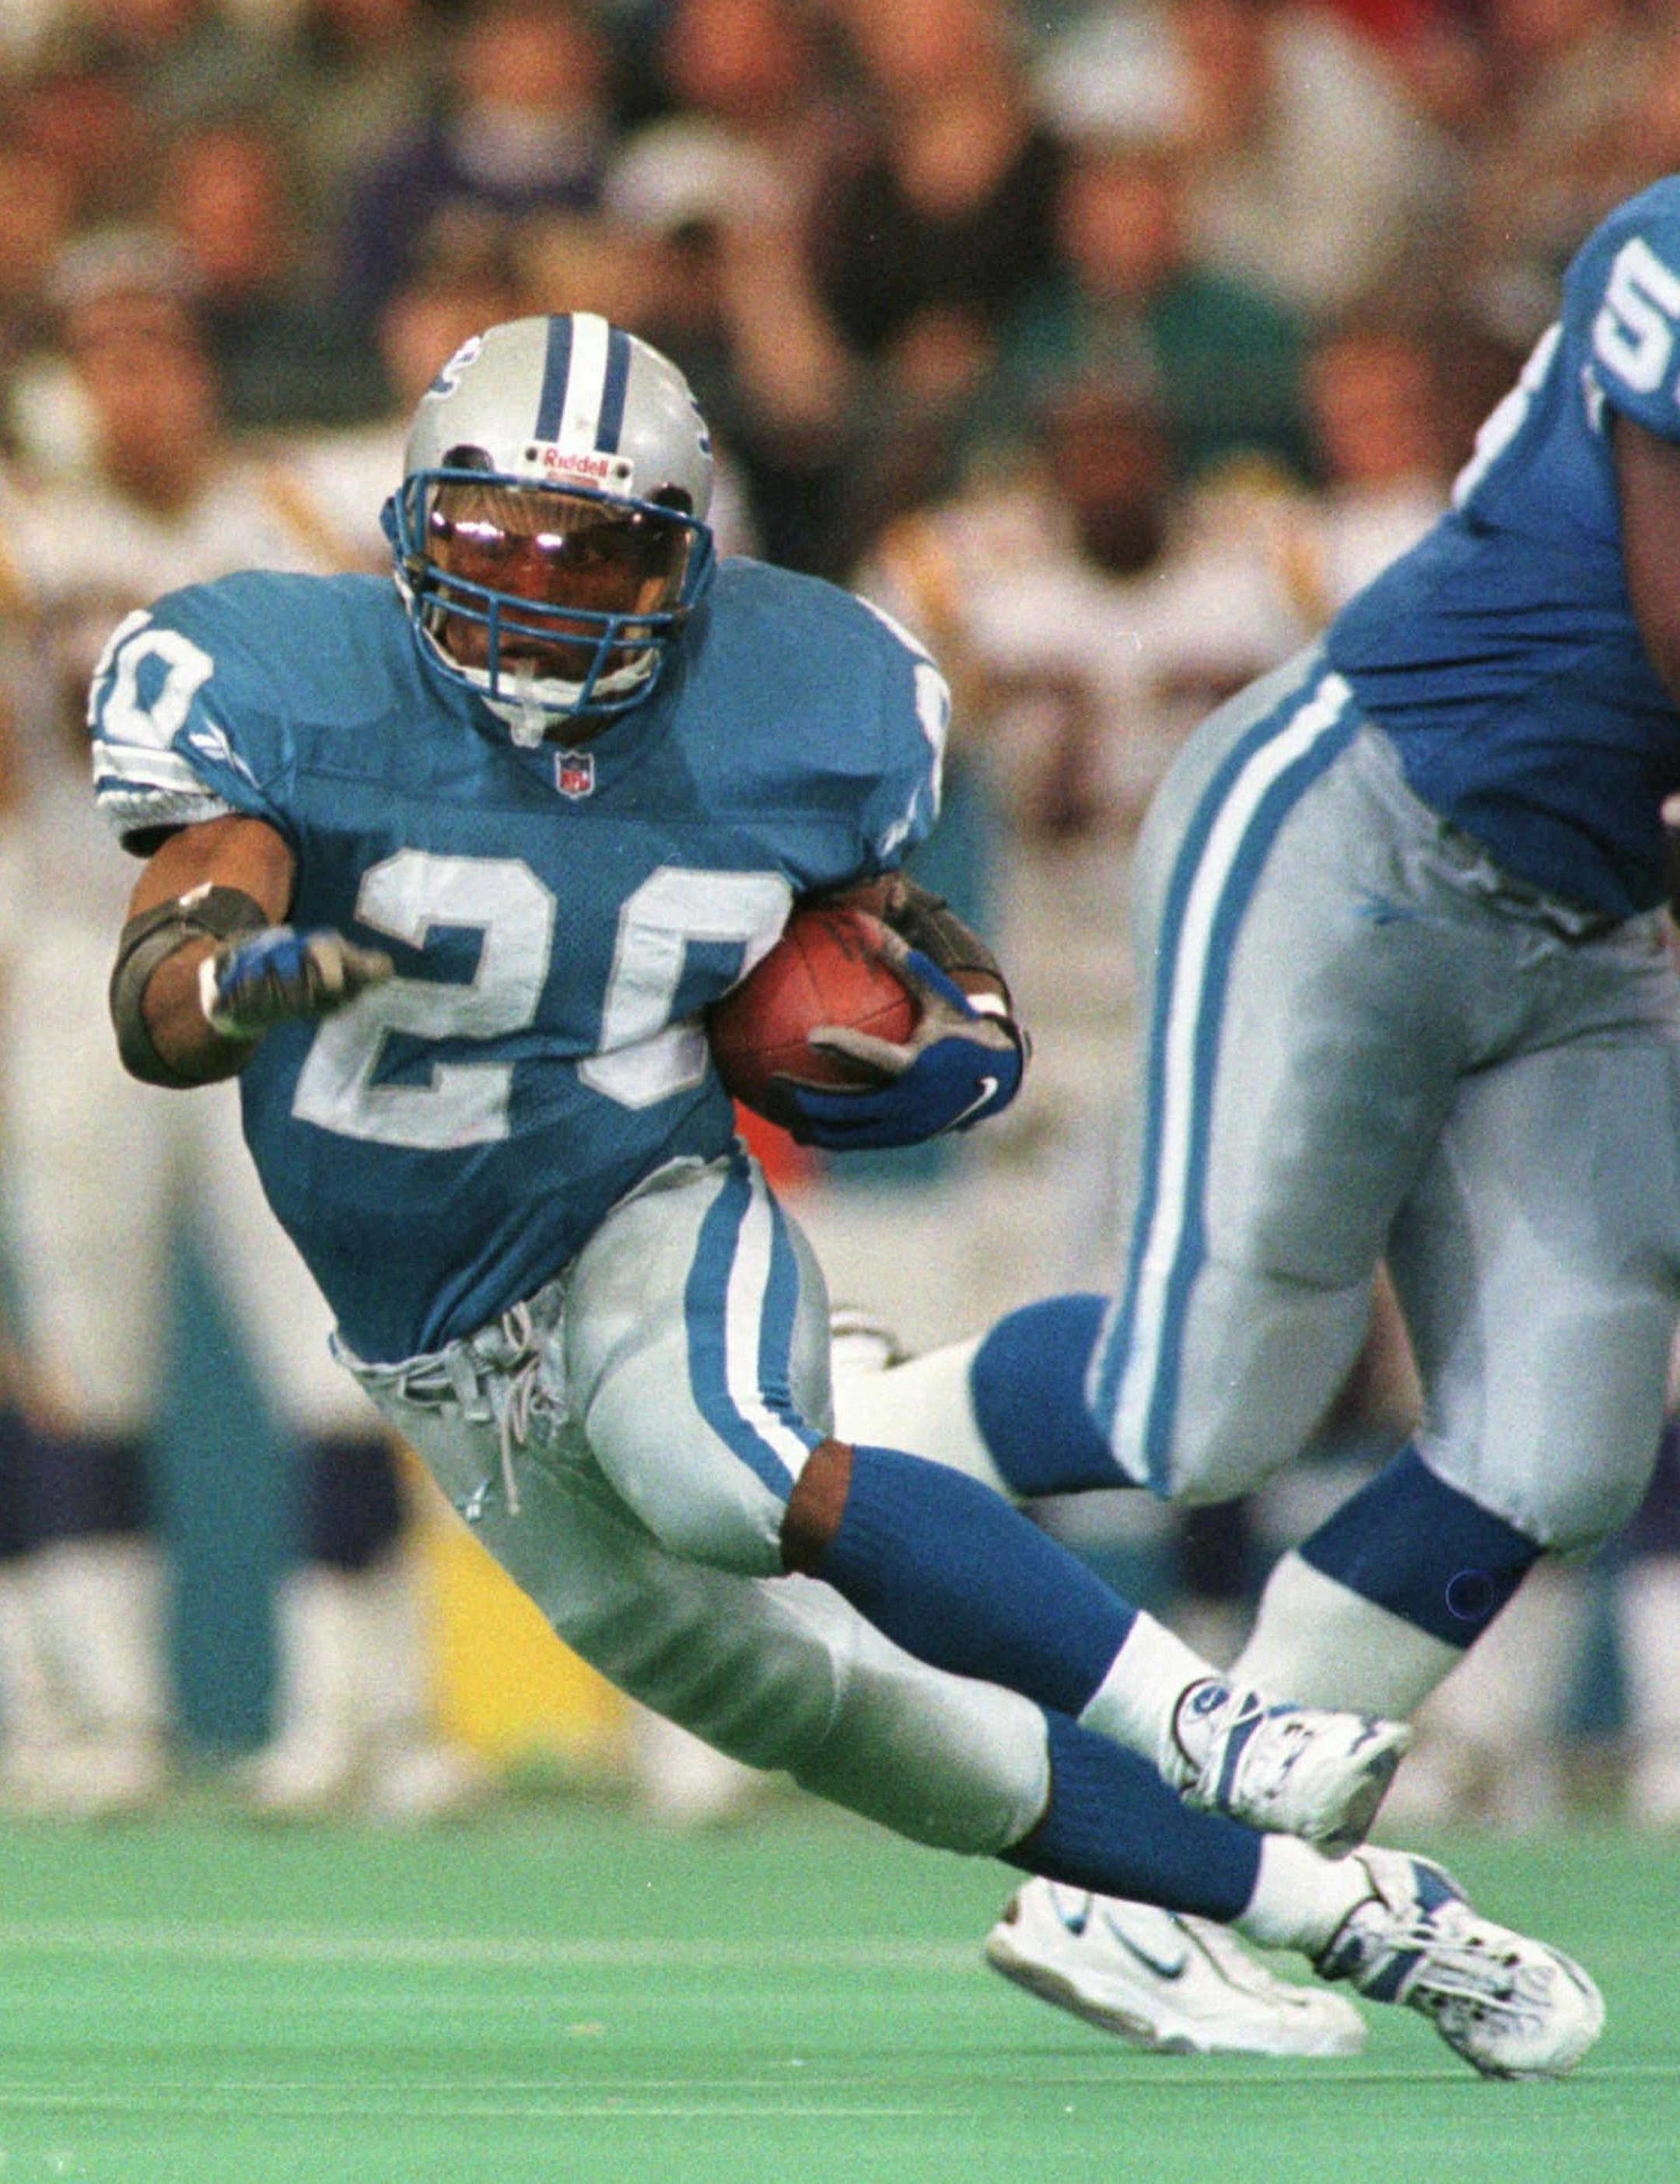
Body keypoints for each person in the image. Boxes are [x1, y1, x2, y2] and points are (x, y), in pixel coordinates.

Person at [89, 307, 1596, 2078]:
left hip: (634, 1207)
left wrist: (947, 1022)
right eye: (501, 539)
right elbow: (171, 966)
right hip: (434, 1350)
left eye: (601, 552)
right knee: (843, 1720)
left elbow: (879, 940)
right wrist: (228, 981)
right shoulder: (278, 675)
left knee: (720, 1468)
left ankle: (1208, 1718)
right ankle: (1343, 1916)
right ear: (416, 522)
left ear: (688, 563)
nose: (547, 592)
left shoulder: (808, 698)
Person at [835, 170, 1680, 2060]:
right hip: (1362, 823)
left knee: (1558, 1445)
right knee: (1204, 1406)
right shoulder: (1672, 247)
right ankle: (810, 1443)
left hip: (1593, 914)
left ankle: (1137, 1889)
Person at [0, 233, 480, 1818]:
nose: (135, 384)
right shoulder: (28, 530)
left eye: (160, 349)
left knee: (330, 1346)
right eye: (104, 354)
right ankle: (105, 1713)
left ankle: (367, 1710)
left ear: (206, 368)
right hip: (78, 965)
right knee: (88, 1356)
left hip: (274, 970)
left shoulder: (291, 510)